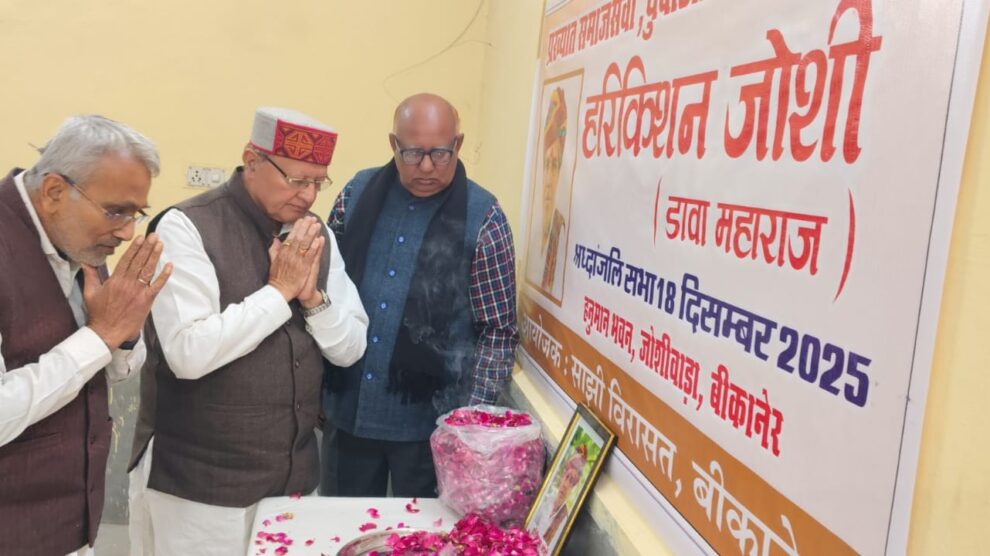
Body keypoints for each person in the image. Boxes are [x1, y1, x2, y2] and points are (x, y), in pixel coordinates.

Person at [128, 107, 368, 554]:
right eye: (296, 180)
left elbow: (351, 349)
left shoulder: (317, 235)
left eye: (318, 182)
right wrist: (279, 293)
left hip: (293, 485)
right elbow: (187, 353)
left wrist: (313, 299)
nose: (308, 195)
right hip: (198, 492)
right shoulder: (186, 226)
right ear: (251, 160)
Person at [321, 93, 519, 498]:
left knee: (424, 529)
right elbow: (323, 289)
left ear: (458, 144)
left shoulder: (484, 217)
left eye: (440, 153)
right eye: (412, 153)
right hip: (347, 411)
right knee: (342, 523)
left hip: (432, 428)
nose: (427, 166)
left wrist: (467, 424)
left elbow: (498, 332)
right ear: (393, 144)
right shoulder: (356, 195)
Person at [0, 115, 168, 556]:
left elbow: (113, 369)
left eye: (136, 214)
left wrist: (124, 335)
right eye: (116, 211)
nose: (128, 232)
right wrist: (100, 336)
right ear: (54, 191)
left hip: (71, 525)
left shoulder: (79, 240)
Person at [539, 87, 567, 292]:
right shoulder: (537, 232)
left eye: (555, 166)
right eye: (546, 166)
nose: (548, 181)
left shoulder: (560, 230)